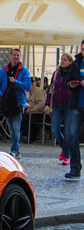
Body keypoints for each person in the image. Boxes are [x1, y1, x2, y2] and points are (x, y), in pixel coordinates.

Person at [0, 49, 32, 159]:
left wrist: (16, 81)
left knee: (15, 127)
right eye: (14, 55)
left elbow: (28, 86)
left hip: (18, 103)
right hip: (6, 102)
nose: (16, 57)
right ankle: (17, 150)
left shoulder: (24, 70)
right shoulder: (4, 69)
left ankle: (14, 150)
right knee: (11, 127)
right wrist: (0, 94)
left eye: (18, 55)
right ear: (10, 56)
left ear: (20, 57)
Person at [44, 53, 73, 165]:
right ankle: (65, 149)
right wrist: (47, 104)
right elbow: (51, 88)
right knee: (55, 130)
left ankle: (67, 156)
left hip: (68, 106)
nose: (62, 61)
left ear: (70, 62)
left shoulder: (72, 73)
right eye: (61, 59)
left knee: (67, 131)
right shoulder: (56, 73)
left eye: (65, 60)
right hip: (56, 105)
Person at [65, 40, 84, 179]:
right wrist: (71, 85)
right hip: (76, 105)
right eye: (82, 49)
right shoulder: (76, 63)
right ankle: (75, 168)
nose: (83, 52)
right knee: (72, 137)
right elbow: (67, 81)